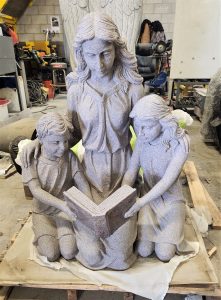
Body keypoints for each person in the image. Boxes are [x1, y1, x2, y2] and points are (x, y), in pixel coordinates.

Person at [22, 12, 144, 270]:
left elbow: (143, 138)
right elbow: (71, 132)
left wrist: (129, 183)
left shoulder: (132, 87)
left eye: (105, 53)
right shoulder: (77, 88)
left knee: (121, 258)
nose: (98, 63)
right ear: (81, 54)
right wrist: (39, 142)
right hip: (88, 177)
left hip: (124, 173)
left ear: (116, 48)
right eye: (90, 55)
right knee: (89, 255)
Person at [122, 94, 190, 261]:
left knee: (164, 253)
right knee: (144, 250)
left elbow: (167, 181)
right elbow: (131, 171)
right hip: (148, 200)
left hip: (171, 200)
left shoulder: (179, 143)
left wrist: (139, 203)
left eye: (147, 126)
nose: (141, 132)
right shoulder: (142, 140)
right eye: (138, 127)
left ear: (162, 121)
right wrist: (122, 195)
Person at [22, 112, 92, 262]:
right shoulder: (31, 160)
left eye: (65, 141)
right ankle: (42, 232)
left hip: (65, 212)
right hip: (43, 212)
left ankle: (62, 233)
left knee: (68, 252)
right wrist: (63, 205)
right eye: (56, 143)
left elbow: (83, 184)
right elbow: (36, 191)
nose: (62, 147)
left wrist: (89, 208)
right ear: (40, 140)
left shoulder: (69, 156)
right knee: (51, 254)